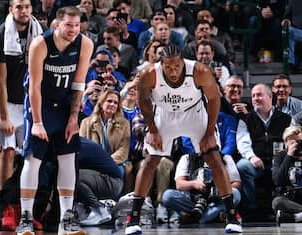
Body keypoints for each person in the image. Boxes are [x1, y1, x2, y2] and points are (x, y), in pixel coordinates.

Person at [125, 44, 242, 234]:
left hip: (193, 113)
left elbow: (214, 100)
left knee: (213, 157)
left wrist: (210, 132)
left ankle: (232, 214)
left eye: (176, 67)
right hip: (164, 114)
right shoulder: (149, 73)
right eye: (168, 67)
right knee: (151, 161)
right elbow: (143, 100)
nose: (173, 71)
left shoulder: (199, 71)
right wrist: (152, 129)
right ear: (160, 64)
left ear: (183, 62)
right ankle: (133, 217)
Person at [19, 6, 93, 235]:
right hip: (40, 102)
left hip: (64, 104)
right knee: (34, 158)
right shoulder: (40, 44)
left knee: (68, 158)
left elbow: (79, 84)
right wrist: (38, 122)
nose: (73, 30)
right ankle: (26, 218)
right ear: (57, 24)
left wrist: (73, 118)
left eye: (77, 25)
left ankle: (66, 220)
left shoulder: (85, 44)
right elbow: (34, 87)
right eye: (69, 25)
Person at [0, 0, 43, 230]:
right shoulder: (0, 35)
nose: (24, 11)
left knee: (30, 155)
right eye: (19, 7)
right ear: (11, 10)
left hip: (27, 97)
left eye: (27, 6)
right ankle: (7, 207)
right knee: (7, 151)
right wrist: (3, 117)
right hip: (5, 99)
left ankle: (26, 209)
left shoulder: (39, 32)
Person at [236, 83, 291, 220]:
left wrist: (282, 159)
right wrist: (251, 157)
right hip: (257, 162)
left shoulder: (285, 118)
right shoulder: (246, 119)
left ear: (270, 96)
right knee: (243, 166)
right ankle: (251, 208)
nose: (255, 98)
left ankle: (281, 207)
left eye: (259, 95)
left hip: (278, 162)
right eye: (253, 95)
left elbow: (291, 140)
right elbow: (242, 142)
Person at [272, 125, 302, 224]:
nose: (297, 144)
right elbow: (277, 181)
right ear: (285, 143)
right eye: (293, 142)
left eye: (299, 141)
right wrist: (289, 156)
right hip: (290, 201)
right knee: (277, 202)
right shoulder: (280, 156)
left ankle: (295, 218)